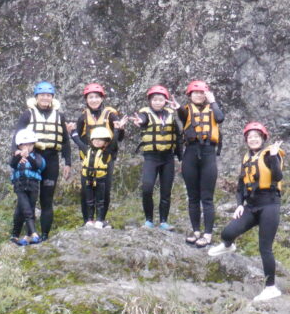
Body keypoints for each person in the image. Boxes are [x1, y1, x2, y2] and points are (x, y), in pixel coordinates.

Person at [207, 122, 285, 303]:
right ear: (246, 140)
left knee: (265, 248)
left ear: (263, 138)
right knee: (227, 233)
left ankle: (270, 288)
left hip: (270, 205)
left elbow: (278, 176)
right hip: (251, 205)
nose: (253, 139)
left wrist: (274, 157)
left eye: (257, 136)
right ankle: (228, 245)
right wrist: (240, 204)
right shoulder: (247, 158)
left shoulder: (271, 154)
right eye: (250, 137)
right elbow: (241, 185)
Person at [13, 81, 72, 242]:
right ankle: (23, 234)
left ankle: (45, 236)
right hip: (33, 157)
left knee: (47, 199)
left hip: (51, 159)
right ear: (36, 97)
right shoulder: (28, 114)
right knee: (27, 197)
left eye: (48, 95)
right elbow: (17, 135)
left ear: (52, 97)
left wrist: (67, 162)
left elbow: (65, 141)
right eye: (42, 95)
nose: (45, 98)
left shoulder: (60, 116)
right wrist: (17, 153)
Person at [170, 80, 224, 248]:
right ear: (190, 95)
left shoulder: (213, 108)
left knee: (206, 197)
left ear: (206, 95)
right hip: (191, 154)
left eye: (202, 93)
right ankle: (196, 231)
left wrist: (213, 100)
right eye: (196, 93)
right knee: (193, 197)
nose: (199, 95)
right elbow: (182, 115)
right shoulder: (185, 110)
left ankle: (207, 234)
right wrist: (177, 107)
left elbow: (220, 118)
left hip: (208, 154)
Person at [130, 85, 183, 230]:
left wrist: (181, 157)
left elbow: (178, 137)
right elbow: (143, 120)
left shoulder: (171, 114)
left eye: (160, 99)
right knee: (147, 188)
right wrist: (140, 122)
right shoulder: (144, 113)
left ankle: (164, 221)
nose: (158, 102)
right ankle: (149, 220)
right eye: (154, 100)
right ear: (150, 101)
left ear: (165, 101)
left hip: (168, 157)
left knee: (166, 191)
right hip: (151, 157)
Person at [74, 83, 124, 224]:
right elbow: (78, 136)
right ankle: (87, 220)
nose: (94, 100)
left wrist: (120, 129)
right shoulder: (83, 117)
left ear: (102, 98)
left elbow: (119, 138)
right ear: (86, 99)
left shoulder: (111, 115)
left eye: (97, 97)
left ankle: (100, 219)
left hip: (106, 158)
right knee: (86, 191)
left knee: (104, 190)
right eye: (91, 97)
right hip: (88, 159)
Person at [67, 123, 120, 228]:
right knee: (89, 201)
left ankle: (100, 220)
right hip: (89, 180)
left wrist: (117, 129)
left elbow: (113, 143)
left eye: (100, 140)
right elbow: (78, 141)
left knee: (100, 201)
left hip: (100, 181)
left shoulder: (106, 154)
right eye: (95, 139)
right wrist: (73, 131)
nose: (97, 141)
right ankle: (90, 220)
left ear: (105, 143)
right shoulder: (87, 150)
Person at [8, 129, 46, 246]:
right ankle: (34, 233)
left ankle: (22, 235)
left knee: (23, 210)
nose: (26, 147)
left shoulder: (37, 156)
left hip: (33, 186)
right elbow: (12, 164)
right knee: (27, 210)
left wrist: (28, 157)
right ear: (19, 145)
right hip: (20, 186)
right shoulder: (16, 157)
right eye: (24, 144)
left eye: (29, 144)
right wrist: (19, 156)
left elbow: (38, 166)